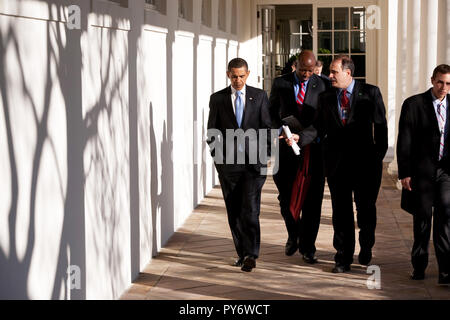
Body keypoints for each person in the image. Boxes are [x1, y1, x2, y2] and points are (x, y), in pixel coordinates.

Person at [315, 55, 388, 273]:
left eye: (334, 72)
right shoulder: (326, 96)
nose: (329, 76)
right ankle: (343, 257)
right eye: (330, 71)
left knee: (365, 211)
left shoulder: (371, 92)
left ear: (348, 73)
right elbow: (319, 128)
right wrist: (301, 137)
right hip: (337, 166)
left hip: (366, 166)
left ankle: (366, 246)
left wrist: (376, 158)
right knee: (341, 212)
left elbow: (381, 128)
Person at [207, 58, 272, 272]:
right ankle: (242, 253)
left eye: (241, 76)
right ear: (228, 75)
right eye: (234, 76)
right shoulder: (217, 99)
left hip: (254, 165)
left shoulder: (260, 96)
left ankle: (251, 254)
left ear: (248, 74)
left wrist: (266, 156)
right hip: (229, 167)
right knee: (234, 212)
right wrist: (219, 162)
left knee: (250, 209)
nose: (238, 80)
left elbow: (267, 128)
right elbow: (212, 132)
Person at [269, 50, 328, 264]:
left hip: (313, 151)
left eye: (310, 71)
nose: (306, 74)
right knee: (286, 199)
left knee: (312, 203)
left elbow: (323, 123)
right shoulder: (280, 83)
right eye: (303, 70)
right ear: (296, 66)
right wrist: (281, 133)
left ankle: (308, 247)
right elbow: (271, 114)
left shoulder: (323, 85)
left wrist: (301, 137)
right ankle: (293, 234)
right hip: (286, 151)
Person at [397, 64, 450, 284]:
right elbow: (405, 140)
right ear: (432, 80)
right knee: (422, 221)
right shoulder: (413, 104)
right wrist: (405, 172)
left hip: (446, 172)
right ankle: (419, 266)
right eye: (440, 82)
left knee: (446, 218)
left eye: (448, 83)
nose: (443, 87)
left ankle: (446, 271)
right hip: (421, 172)